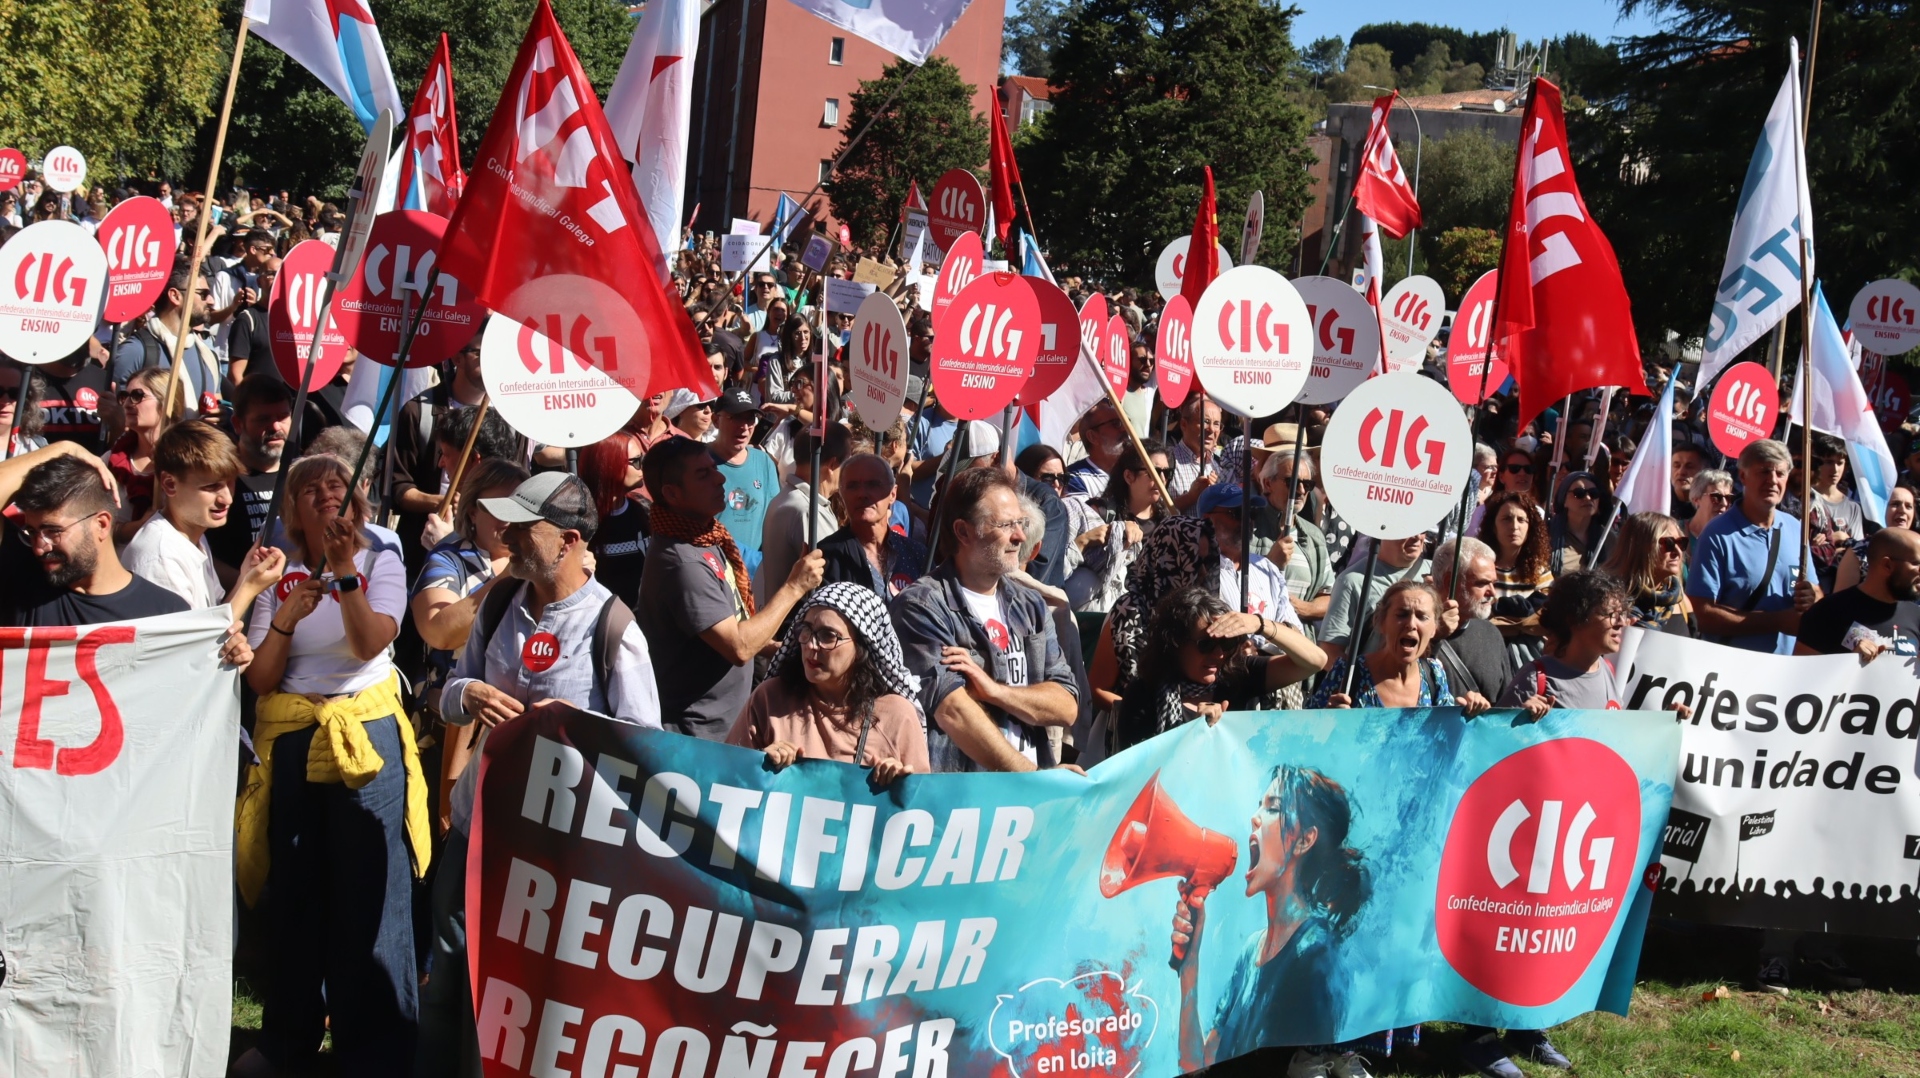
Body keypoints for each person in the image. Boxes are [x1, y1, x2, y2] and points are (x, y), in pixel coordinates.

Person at [419, 471, 661, 1078]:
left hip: (559, 853)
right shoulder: (498, 601)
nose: (507, 534)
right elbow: (448, 691)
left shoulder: (615, 628)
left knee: (529, 994)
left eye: (525, 527)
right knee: (449, 976)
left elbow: (645, 752)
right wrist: (470, 691)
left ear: (569, 541)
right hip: (479, 829)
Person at [234, 452, 421, 1077]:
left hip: (362, 732)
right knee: (296, 892)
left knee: (369, 890)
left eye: (336, 484)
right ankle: (289, 1036)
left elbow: (372, 641)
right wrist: (285, 616)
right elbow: (261, 679)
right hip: (292, 734)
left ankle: (376, 1051)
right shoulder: (278, 569)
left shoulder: (381, 554)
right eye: (308, 489)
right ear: (289, 508)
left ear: (357, 499)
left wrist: (344, 575)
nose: (323, 495)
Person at [1173, 765, 1370, 1074]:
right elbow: (1197, 1064)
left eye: (1273, 808)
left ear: (1305, 840)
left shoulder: (1315, 953)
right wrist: (1190, 966)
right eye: (1259, 805)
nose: (1255, 816)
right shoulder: (1252, 950)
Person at [891, 466, 1079, 771]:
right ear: (963, 531)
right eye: (1006, 525)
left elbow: (1067, 705)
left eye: (1020, 523)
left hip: (1027, 800)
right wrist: (1034, 780)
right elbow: (952, 710)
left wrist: (994, 691)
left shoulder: (1030, 604)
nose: (1020, 536)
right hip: (966, 798)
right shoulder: (921, 606)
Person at [638, 436, 824, 738]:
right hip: (698, 737)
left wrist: (778, 648)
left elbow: (727, 626)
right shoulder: (683, 562)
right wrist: (794, 587)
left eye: (714, 468)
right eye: (703, 474)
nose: (720, 478)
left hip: (727, 723)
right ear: (672, 494)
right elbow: (738, 646)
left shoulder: (706, 537)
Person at [409, 457, 527, 825]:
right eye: (497, 508)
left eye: (519, 507)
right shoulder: (449, 559)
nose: (509, 519)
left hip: (515, 725)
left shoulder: (538, 561)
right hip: (452, 724)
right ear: (472, 511)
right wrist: (507, 578)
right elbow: (439, 632)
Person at [726, 582, 928, 782]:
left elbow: (923, 803)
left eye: (828, 636)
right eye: (806, 630)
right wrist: (759, 764)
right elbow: (725, 778)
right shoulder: (769, 700)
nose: (812, 645)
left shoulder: (898, 716)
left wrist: (900, 784)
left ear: (861, 648)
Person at [0, 445, 217, 627]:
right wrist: (63, 448)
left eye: (53, 532)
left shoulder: (165, 612)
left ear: (101, 524)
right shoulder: (22, 584)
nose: (39, 547)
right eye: (32, 532)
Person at [1114, 585, 1324, 749]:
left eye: (1227, 642)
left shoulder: (1237, 675)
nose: (1219, 654)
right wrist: (1195, 732)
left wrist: (1260, 625)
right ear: (1175, 644)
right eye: (1205, 644)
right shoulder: (1144, 692)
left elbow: (1315, 661)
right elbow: (1139, 772)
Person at [123, 420, 284, 612]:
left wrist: (245, 577)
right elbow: (197, 642)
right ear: (170, 484)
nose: (227, 499)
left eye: (230, 483)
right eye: (211, 487)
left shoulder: (193, 536)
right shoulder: (161, 558)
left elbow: (214, 620)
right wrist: (249, 588)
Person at [1688, 439, 1818, 654]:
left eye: (1780, 473)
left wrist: (1812, 597)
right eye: (1764, 472)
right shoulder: (1717, 535)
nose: (1773, 481)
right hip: (1733, 672)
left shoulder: (1796, 529)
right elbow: (1702, 613)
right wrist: (1777, 621)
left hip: (1786, 672)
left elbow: (1816, 591)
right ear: (1743, 476)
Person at [390, 332, 486, 572]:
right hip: (424, 551)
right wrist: (440, 502)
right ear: (457, 358)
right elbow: (398, 488)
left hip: (487, 549)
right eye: (479, 353)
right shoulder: (419, 410)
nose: (488, 360)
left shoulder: (507, 415)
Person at [1314, 580, 1485, 711]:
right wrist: (1329, 716)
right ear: (1381, 622)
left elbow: (1444, 737)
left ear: (1435, 628)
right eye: (1401, 615)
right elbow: (1305, 733)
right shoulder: (1347, 674)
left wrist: (1468, 710)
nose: (1411, 624)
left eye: (1422, 617)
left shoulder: (1434, 674)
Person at [1064, 439, 1169, 612]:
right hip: (1104, 608)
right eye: (1154, 472)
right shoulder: (1100, 512)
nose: (1162, 479)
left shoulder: (1169, 522)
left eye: (1166, 472)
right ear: (1128, 476)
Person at [1795, 525, 1920, 660]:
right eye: (1917, 563)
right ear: (1887, 565)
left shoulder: (1916, 616)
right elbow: (1803, 676)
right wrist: (1850, 663)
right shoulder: (1827, 613)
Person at [757, 423, 849, 606]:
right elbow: (832, 580)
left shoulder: (788, 499)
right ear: (832, 464)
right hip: (798, 627)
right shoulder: (806, 510)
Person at [111, 261, 221, 413]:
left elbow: (216, 398)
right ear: (175, 296)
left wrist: (220, 416)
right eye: (203, 294)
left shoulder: (208, 356)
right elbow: (120, 416)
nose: (211, 301)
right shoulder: (135, 351)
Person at [819, 451, 928, 598]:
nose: (862, 493)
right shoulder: (825, 558)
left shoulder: (917, 555)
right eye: (852, 486)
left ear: (892, 494)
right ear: (842, 494)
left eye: (873, 485)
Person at [1319, 533, 1429, 669]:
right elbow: (1330, 651)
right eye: (1407, 530)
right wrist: (1362, 683)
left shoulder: (1434, 572)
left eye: (1422, 529)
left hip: (1420, 687)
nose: (1417, 536)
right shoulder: (1353, 581)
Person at [1256, 449, 1334, 634]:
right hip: (1255, 643)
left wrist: (1302, 608)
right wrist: (1270, 564)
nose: (1300, 490)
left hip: (1297, 649)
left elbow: (1329, 596)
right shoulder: (1245, 527)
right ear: (1268, 483)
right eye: (1292, 482)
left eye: (1306, 484)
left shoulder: (1314, 536)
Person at [1430, 537, 1510, 707]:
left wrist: (1526, 707)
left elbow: (1505, 704)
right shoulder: (1412, 629)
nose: (1492, 593)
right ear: (1449, 582)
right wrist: (1433, 636)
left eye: (1493, 583)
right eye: (1481, 583)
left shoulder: (1491, 633)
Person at [1478, 489, 1553, 668]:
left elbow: (1543, 616)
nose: (1514, 526)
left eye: (1521, 520)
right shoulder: (1478, 567)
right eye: (1506, 519)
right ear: (1493, 526)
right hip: (1485, 651)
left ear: (1530, 527)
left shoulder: (1540, 571)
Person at [710, 388, 779, 578]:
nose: (744, 426)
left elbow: (774, 518)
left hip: (756, 571)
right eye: (735, 418)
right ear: (716, 420)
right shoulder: (700, 461)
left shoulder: (763, 461)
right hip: (713, 569)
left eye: (750, 419)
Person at [104, 366, 176, 543]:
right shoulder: (109, 461)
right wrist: (133, 529)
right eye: (124, 397)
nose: (127, 404)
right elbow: (92, 524)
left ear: (166, 401)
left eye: (137, 396)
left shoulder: (188, 462)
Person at [1602, 512, 1696, 636]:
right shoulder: (1606, 599)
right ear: (1640, 547)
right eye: (1668, 543)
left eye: (1681, 543)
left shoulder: (1680, 600)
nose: (1677, 551)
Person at [1802, 434, 1866, 592]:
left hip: (1841, 585)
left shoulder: (1853, 507)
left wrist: (1836, 541)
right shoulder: (1805, 499)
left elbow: (1858, 552)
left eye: (1840, 462)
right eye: (1829, 462)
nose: (1835, 469)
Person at [1834, 483, 1918, 591]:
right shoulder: (1859, 551)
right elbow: (1841, 600)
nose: (1902, 510)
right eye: (1895, 504)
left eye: (1908, 506)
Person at [224, 254, 279, 386]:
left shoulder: (295, 320)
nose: (278, 278)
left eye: (282, 273)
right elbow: (235, 375)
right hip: (260, 403)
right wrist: (250, 405)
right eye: (271, 274)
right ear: (259, 281)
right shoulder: (247, 319)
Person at [1547, 470, 1608, 574]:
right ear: (1564, 499)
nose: (1588, 498)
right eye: (1579, 493)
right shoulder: (1547, 534)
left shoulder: (1608, 539)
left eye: (1594, 493)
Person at [1170, 395, 1223, 513]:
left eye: (1216, 424)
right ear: (1183, 424)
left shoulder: (1220, 465)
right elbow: (1152, 513)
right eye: (1205, 422)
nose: (1211, 430)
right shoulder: (1168, 461)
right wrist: (1191, 497)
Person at [1064, 399, 1127, 495]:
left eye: (1126, 422)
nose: (1125, 429)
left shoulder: (1136, 473)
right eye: (1116, 423)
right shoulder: (1074, 478)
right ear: (1093, 437)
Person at [1685, 469, 1734, 548]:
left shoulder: (1731, 537)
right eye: (1716, 497)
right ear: (1696, 499)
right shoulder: (1675, 531)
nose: (1724, 503)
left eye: (1728, 498)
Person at [1670, 441, 1710, 523]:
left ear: (1704, 471)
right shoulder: (1658, 502)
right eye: (1676, 466)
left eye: (1689, 467)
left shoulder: (1710, 507)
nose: (1681, 472)